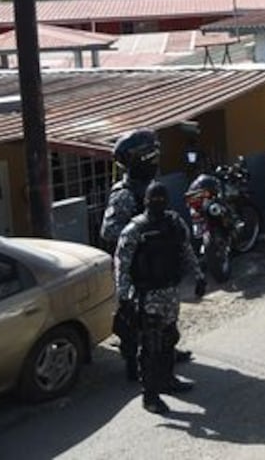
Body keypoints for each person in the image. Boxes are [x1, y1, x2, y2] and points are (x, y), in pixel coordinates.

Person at [115, 181, 206, 415]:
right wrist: (124, 298)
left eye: (161, 199)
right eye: (154, 199)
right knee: (151, 345)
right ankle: (150, 395)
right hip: (147, 295)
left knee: (169, 338)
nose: (158, 204)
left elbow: (186, 250)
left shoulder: (174, 223)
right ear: (145, 201)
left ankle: (167, 380)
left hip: (171, 292)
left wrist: (198, 276)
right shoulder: (135, 230)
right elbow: (122, 265)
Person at [100, 128, 173, 381]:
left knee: (162, 318)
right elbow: (109, 231)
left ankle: (164, 354)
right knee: (136, 321)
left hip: (156, 266)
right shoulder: (124, 193)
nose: (156, 159)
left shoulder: (148, 186)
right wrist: (143, 232)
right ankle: (137, 368)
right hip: (135, 269)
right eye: (151, 154)